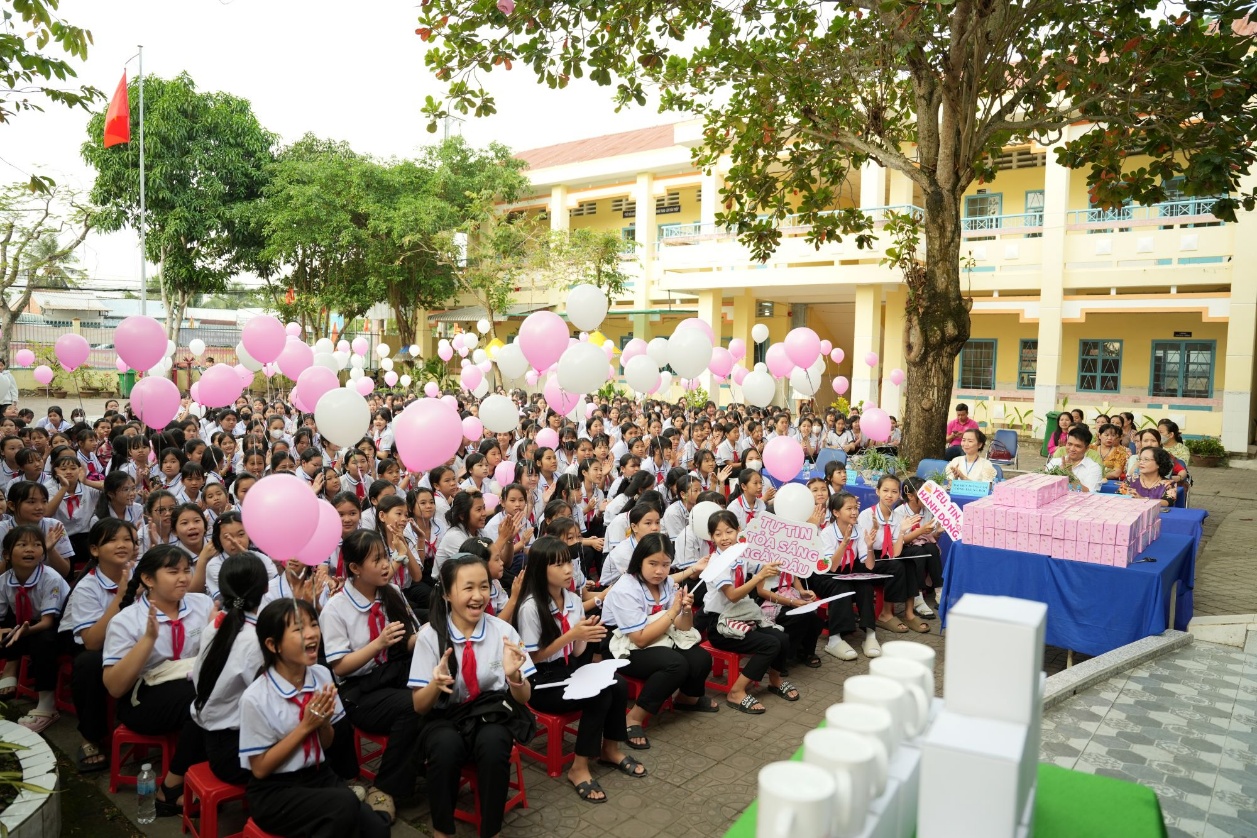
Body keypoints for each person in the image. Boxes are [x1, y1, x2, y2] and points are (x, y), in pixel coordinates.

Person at [238, 598, 388, 838]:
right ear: (273, 644)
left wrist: (324, 723)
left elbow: (326, 744)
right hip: (276, 791)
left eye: (313, 625)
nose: (311, 634)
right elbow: (260, 769)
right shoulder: (255, 697)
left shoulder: (321, 675)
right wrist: (306, 726)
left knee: (378, 829)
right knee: (344, 806)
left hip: (319, 776)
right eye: (298, 629)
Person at [409, 554, 535, 837]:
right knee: (444, 746)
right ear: (446, 594)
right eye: (468, 588)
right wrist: (435, 684)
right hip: (445, 716)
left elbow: (524, 699)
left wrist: (515, 677)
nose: (478, 596)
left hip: (489, 715)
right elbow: (419, 706)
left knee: (494, 744)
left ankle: (491, 830)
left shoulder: (503, 632)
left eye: (484, 586)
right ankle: (443, 829)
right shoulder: (430, 636)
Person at [515, 536, 644, 799]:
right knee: (599, 695)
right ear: (541, 569)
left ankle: (610, 749)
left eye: (568, 563)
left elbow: (575, 653)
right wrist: (572, 635)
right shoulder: (530, 607)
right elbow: (533, 659)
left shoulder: (572, 600)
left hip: (568, 670)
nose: (567, 570)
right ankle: (579, 767)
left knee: (617, 684)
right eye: (558, 565)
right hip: (542, 682)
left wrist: (587, 637)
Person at [103, 544, 213, 816]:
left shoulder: (202, 604)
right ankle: (171, 787)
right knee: (202, 703)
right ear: (148, 579)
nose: (184, 578)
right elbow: (115, 687)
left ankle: (210, 773)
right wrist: (148, 640)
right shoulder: (127, 620)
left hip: (190, 685)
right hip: (142, 700)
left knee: (219, 695)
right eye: (173, 571)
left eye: (187, 570)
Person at [320, 529, 421, 824]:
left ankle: (423, 763)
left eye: (386, 557)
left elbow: (409, 640)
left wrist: (432, 634)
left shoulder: (392, 592)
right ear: (354, 568)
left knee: (439, 690)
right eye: (376, 560)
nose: (385, 565)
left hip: (394, 673)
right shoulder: (336, 608)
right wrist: (378, 643)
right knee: (412, 706)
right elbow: (340, 667)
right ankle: (385, 787)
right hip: (359, 690)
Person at [602, 532, 716, 743]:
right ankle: (633, 718)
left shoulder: (666, 583)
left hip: (658, 636)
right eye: (652, 563)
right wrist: (673, 611)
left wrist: (686, 610)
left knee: (701, 658)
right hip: (621, 644)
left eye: (665, 564)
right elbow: (640, 639)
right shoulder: (625, 589)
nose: (659, 570)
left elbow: (683, 627)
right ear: (639, 561)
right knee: (675, 664)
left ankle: (687, 699)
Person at [702, 510, 800, 714]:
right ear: (711, 537)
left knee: (781, 637)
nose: (724, 538)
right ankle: (736, 691)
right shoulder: (716, 563)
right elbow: (733, 596)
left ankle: (775, 680)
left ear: (739, 530)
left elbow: (762, 566)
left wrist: (781, 556)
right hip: (720, 625)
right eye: (718, 534)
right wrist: (759, 577)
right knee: (769, 644)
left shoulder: (741, 553)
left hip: (742, 618)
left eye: (728, 531)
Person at [62, 518, 137, 772]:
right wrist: (121, 596)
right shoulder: (88, 586)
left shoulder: (143, 575)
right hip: (94, 644)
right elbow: (92, 642)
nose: (121, 545)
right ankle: (90, 737)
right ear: (94, 550)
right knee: (89, 664)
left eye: (127, 539)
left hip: (134, 642)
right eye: (112, 540)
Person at [191, 553, 270, 785]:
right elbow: (266, 701)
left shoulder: (215, 626)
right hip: (238, 751)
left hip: (215, 741)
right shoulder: (256, 641)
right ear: (266, 588)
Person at [0, 525, 68, 732]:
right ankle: (9, 668)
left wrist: (23, 632)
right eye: (22, 545)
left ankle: (47, 706)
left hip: (58, 626)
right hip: (28, 622)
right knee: (8, 626)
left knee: (42, 640)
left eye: (37, 545)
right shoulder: (4, 580)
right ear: (7, 555)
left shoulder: (51, 578)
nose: (30, 550)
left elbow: (48, 622)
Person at [811, 492, 881, 660]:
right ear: (836, 513)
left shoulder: (859, 530)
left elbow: (869, 565)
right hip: (825, 575)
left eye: (855, 508)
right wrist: (844, 543)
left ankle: (870, 635)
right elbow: (832, 567)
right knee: (841, 586)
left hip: (847, 572)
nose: (854, 512)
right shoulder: (827, 533)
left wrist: (870, 547)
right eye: (849, 508)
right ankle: (835, 639)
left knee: (865, 581)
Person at [857, 474, 926, 633]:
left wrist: (901, 531)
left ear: (899, 494)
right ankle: (885, 614)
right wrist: (873, 534)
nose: (889, 495)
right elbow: (863, 550)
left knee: (909, 561)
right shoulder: (867, 515)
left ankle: (909, 613)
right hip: (868, 558)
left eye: (894, 491)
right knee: (896, 566)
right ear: (877, 491)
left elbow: (895, 552)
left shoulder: (897, 517)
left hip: (887, 556)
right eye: (885, 490)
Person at [1046, 426, 1103, 493]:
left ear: (1087, 448)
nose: (1072, 449)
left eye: (1077, 446)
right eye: (1069, 444)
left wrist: (1069, 476)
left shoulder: (1093, 468)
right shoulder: (1054, 462)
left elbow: (1090, 493)